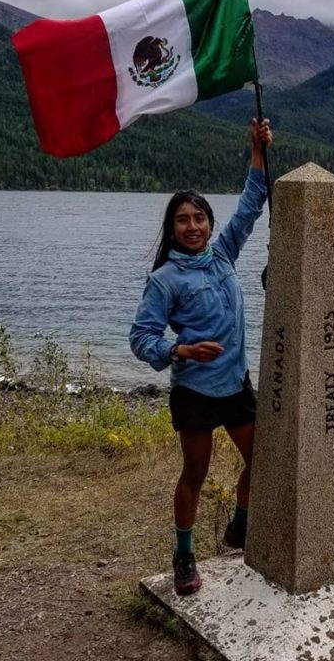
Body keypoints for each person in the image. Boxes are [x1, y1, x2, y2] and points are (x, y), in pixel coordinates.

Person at [129, 117, 272, 596]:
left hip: (235, 384)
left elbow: (251, 204)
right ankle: (184, 554)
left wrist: (257, 150)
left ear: (210, 224)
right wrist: (179, 349)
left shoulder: (224, 254)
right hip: (194, 389)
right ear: (172, 229)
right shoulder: (164, 280)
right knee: (195, 472)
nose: (193, 226)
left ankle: (240, 525)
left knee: (263, 460)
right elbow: (141, 337)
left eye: (199, 218)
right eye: (183, 220)